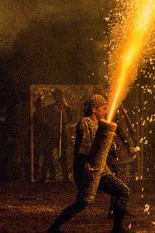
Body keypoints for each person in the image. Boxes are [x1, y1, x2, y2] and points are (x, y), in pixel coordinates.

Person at [47, 94, 130, 233]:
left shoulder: (100, 125)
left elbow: (106, 150)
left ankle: (117, 228)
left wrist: (111, 143)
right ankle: (54, 228)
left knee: (122, 191)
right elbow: (84, 147)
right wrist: (85, 164)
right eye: (103, 109)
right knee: (82, 203)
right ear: (94, 109)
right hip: (89, 169)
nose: (105, 112)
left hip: (101, 169)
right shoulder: (85, 123)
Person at [108, 105, 139, 218]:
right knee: (122, 182)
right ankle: (117, 210)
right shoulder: (115, 107)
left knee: (120, 182)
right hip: (121, 151)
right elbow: (122, 128)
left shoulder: (115, 106)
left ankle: (116, 210)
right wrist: (131, 144)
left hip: (118, 151)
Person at [39, 89, 73, 182]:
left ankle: (65, 178)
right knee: (47, 156)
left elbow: (67, 120)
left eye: (59, 96)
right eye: (56, 96)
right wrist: (49, 124)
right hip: (51, 135)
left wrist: (62, 109)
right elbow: (43, 119)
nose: (58, 98)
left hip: (62, 135)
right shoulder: (49, 108)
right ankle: (43, 178)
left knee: (63, 156)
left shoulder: (66, 109)